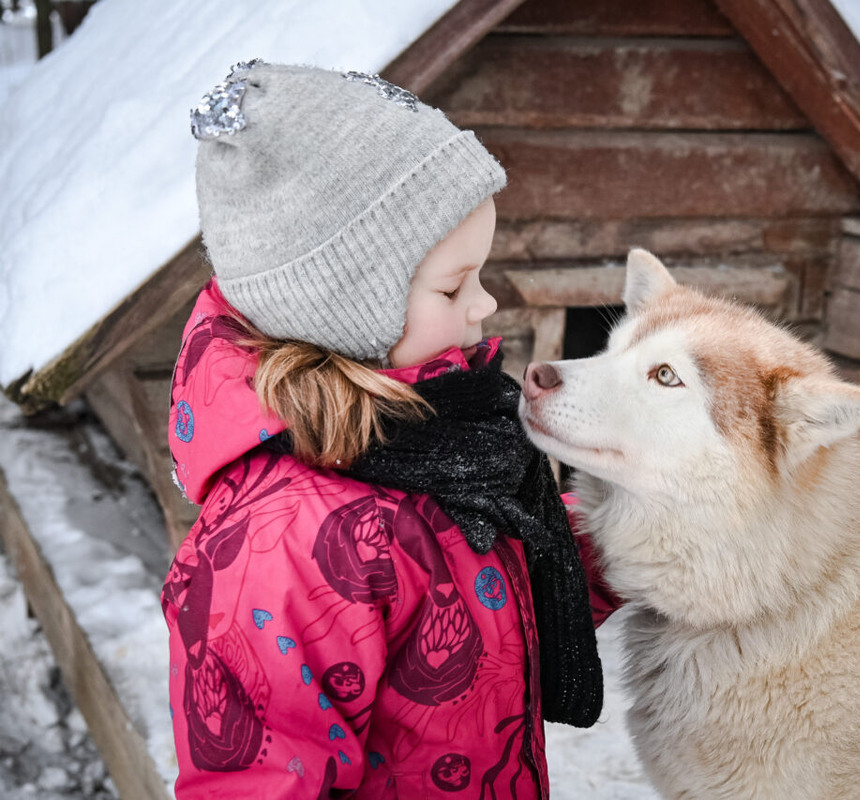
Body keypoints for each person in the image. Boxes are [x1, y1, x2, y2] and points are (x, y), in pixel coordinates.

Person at [162, 60, 617, 799]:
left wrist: (637, 538)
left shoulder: (437, 446)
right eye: (452, 286)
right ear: (346, 307)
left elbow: (501, 589)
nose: (484, 305)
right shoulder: (281, 552)